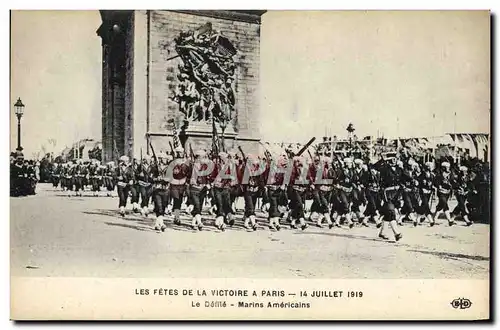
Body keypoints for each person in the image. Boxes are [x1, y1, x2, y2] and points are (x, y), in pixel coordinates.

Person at [378, 156, 403, 242]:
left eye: (395, 159)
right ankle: (397, 233)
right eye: (392, 159)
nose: (394, 160)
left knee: (387, 214)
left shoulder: (399, 169)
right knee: (391, 212)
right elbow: (375, 167)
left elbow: (404, 178)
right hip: (387, 193)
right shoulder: (384, 169)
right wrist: (383, 161)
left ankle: (382, 232)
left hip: (396, 194)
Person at [151, 152, 170, 231]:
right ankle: (162, 224)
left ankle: (157, 224)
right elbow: (151, 178)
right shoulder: (155, 167)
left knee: (163, 206)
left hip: (165, 189)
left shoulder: (169, 168)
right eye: (162, 159)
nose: (164, 160)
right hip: (157, 189)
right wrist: (156, 179)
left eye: (165, 159)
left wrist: (166, 179)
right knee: (159, 206)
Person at [433, 161, 454, 226]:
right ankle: (449, 220)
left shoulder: (450, 174)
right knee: (444, 203)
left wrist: (452, 185)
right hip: (441, 192)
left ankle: (434, 219)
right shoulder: (439, 174)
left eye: (448, 167)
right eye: (447, 167)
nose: (448, 168)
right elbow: (436, 182)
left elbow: (453, 181)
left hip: (447, 192)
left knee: (441, 205)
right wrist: (439, 185)